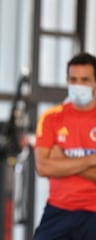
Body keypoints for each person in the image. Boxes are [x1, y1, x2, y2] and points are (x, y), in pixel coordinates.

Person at [34, 52, 96, 240]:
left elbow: (51, 164)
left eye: (85, 80)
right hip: (58, 210)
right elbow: (43, 167)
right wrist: (91, 160)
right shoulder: (51, 117)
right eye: (73, 79)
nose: (78, 85)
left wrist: (62, 160)